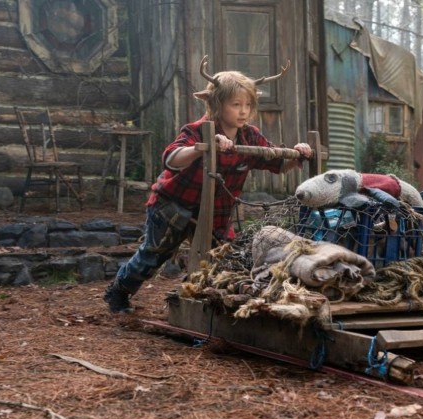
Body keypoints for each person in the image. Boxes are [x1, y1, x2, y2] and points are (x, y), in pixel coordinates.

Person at [103, 57, 312, 313]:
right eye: (236, 104)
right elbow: (171, 158)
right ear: (215, 103)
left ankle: (195, 303)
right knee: (153, 255)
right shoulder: (197, 130)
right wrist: (202, 148)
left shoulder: (250, 136)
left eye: (248, 104)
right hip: (173, 206)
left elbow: (277, 163)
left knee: (219, 261)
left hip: (216, 213)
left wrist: (297, 153)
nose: (243, 111)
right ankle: (118, 292)